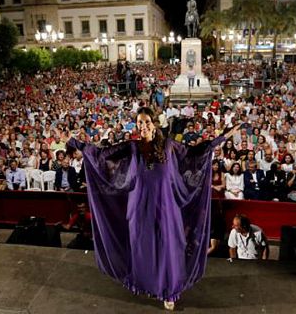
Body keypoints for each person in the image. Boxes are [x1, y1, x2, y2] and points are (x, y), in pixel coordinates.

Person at [67, 107, 240, 310]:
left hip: (166, 206)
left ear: (154, 123)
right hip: (139, 205)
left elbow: (195, 152)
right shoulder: (132, 146)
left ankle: (169, 291)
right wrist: (75, 142)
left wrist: (223, 137)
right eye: (139, 122)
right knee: (143, 246)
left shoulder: (168, 145)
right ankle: (147, 283)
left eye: (146, 121)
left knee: (167, 247)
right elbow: (102, 154)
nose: (143, 126)